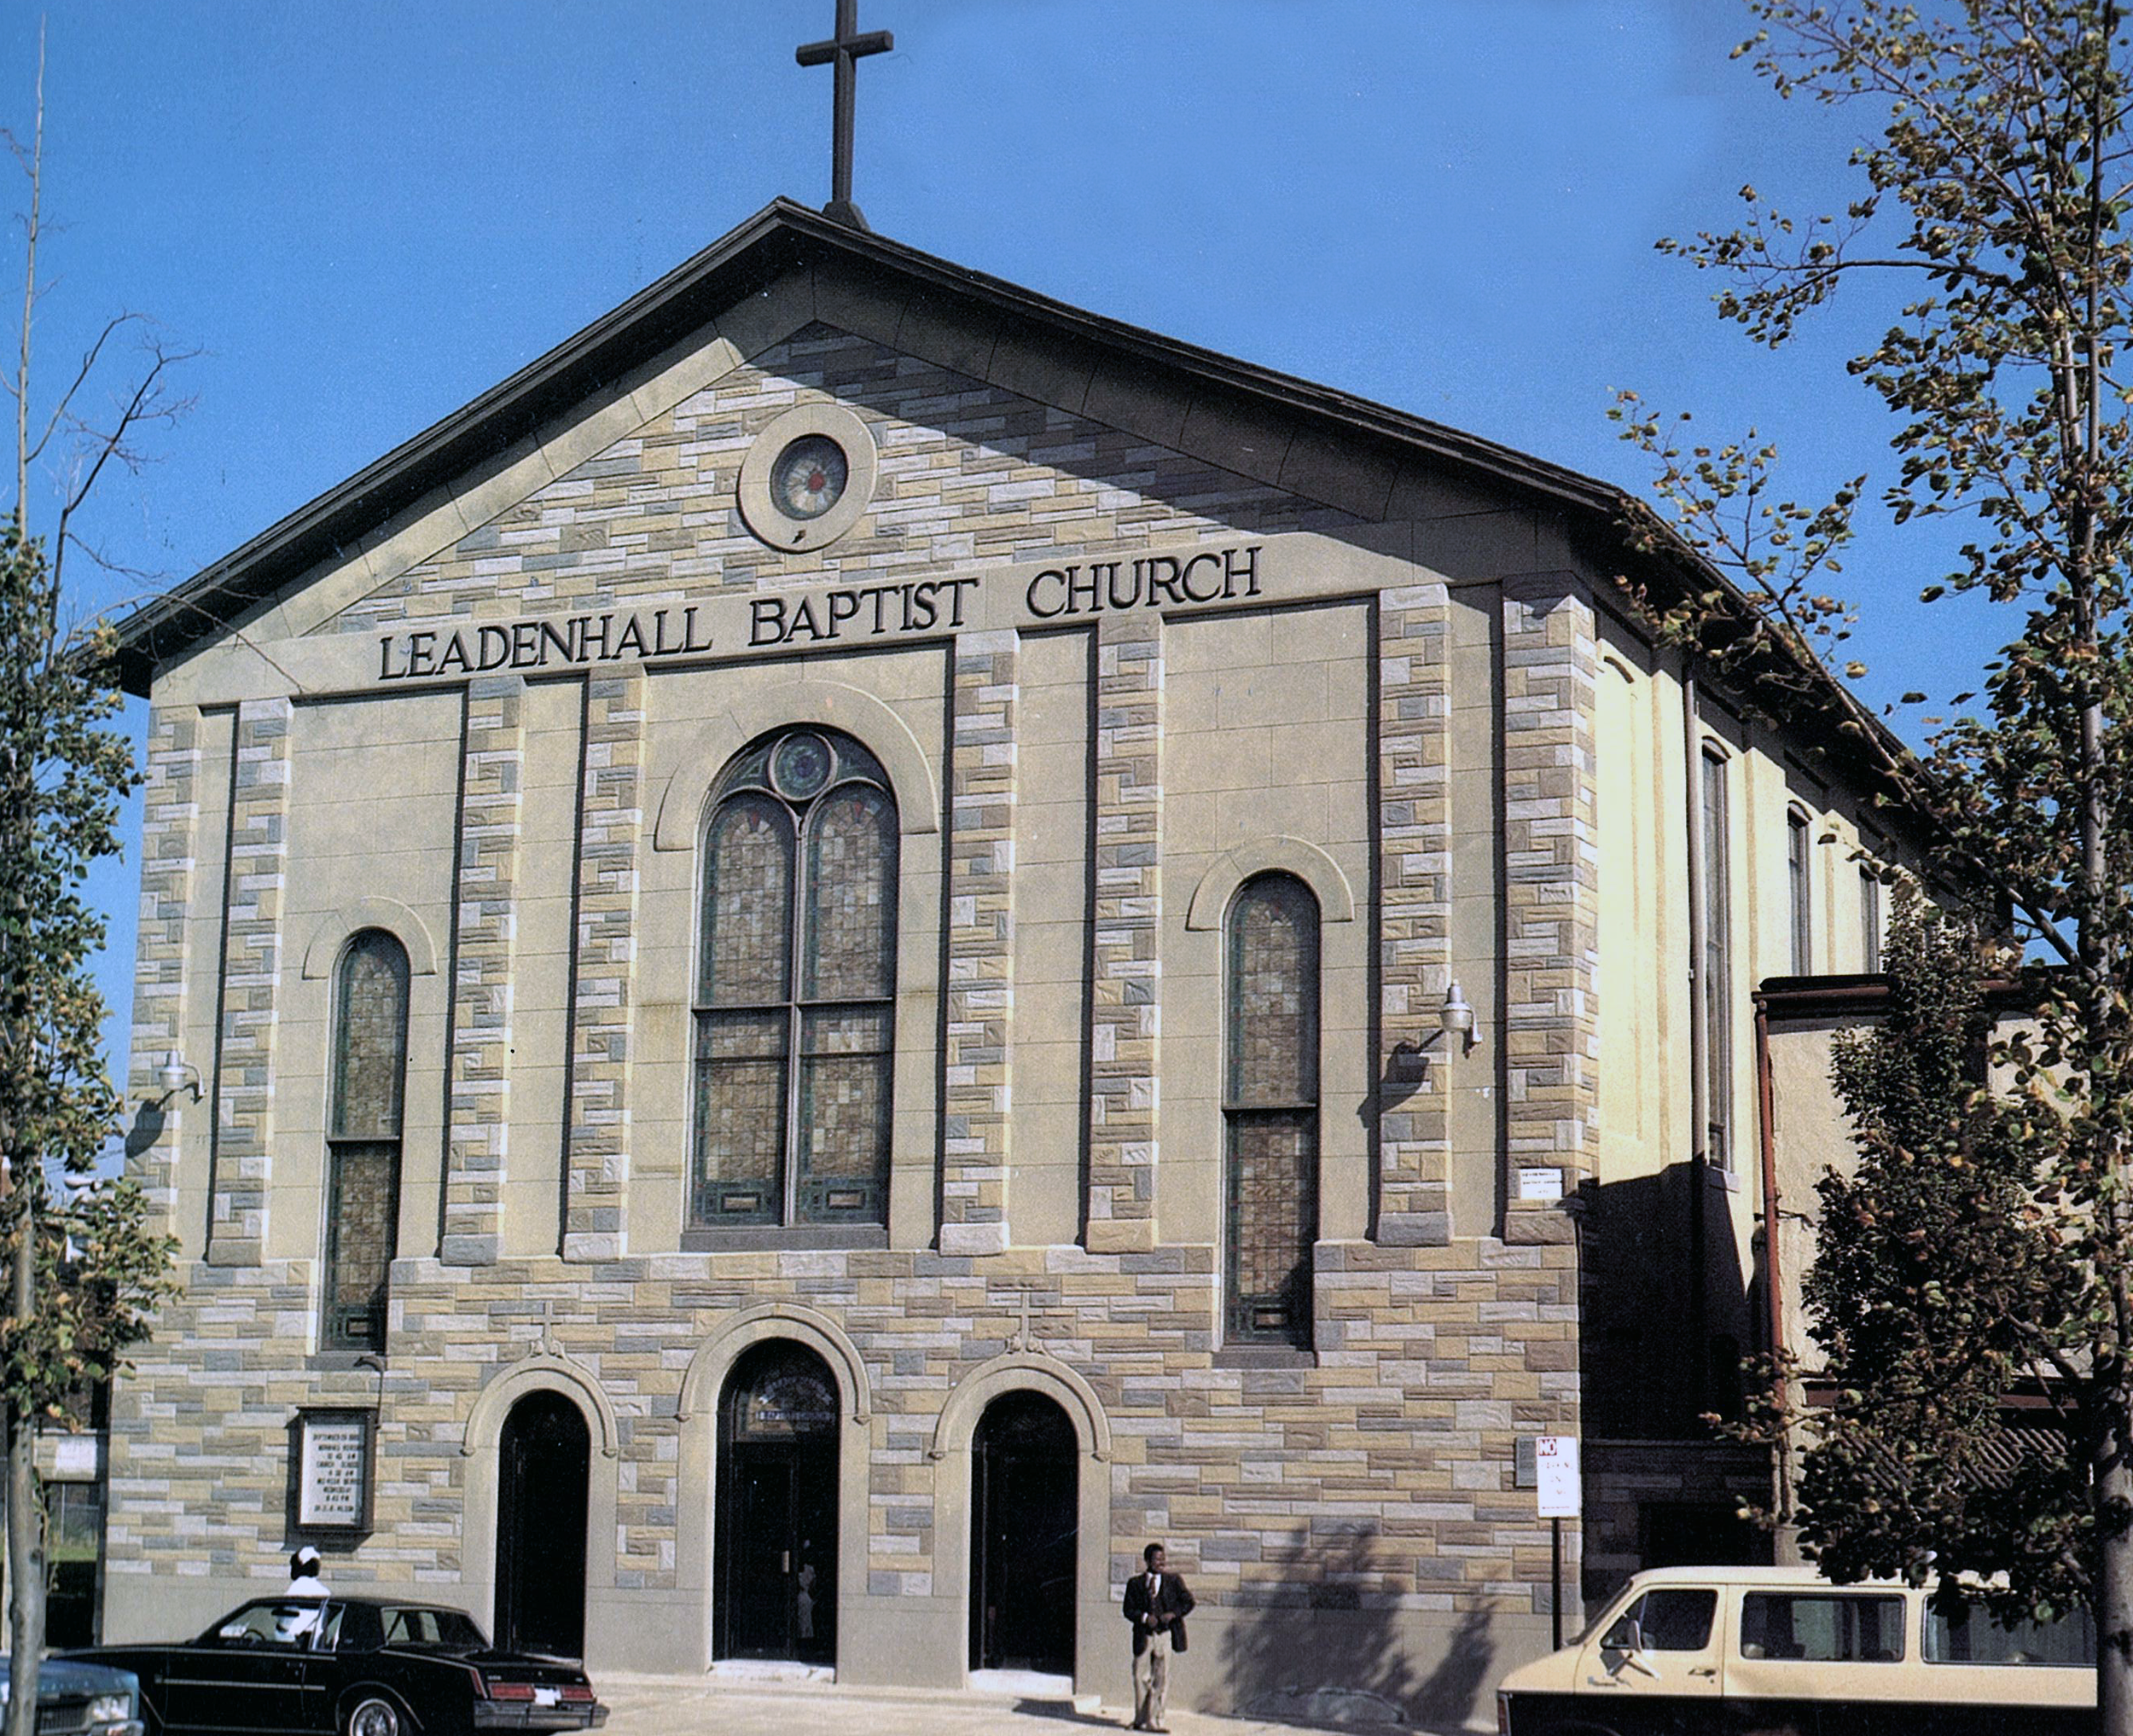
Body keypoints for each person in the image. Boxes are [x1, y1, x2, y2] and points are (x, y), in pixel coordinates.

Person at [1122, 1541, 1193, 1733]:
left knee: (1160, 1678)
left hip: (1165, 1635)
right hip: (1144, 1636)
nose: (1161, 1562)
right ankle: (1140, 1719)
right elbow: (1128, 1610)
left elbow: (1188, 1602)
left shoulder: (1174, 1581)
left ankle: (1155, 1721)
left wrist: (1173, 1614)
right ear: (1147, 1561)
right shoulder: (1135, 1584)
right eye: (1157, 1559)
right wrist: (1145, 1617)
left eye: (1163, 1559)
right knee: (1139, 1676)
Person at [280, 1546, 328, 1643]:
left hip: (294, 1642)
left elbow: (284, 1621)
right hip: (317, 1643)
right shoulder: (325, 1592)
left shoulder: (295, 1589)